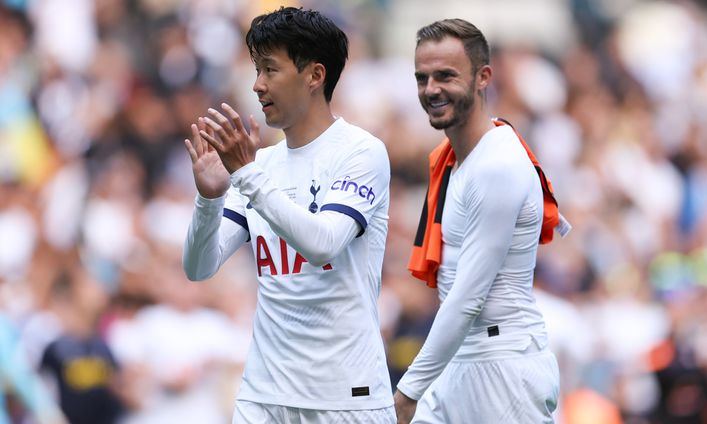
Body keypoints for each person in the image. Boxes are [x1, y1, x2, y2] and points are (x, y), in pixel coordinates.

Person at [182, 7, 395, 424]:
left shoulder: (360, 152)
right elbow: (198, 268)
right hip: (263, 396)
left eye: (270, 70)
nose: (257, 85)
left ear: (315, 76)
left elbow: (322, 245)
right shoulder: (263, 165)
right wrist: (208, 200)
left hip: (344, 397)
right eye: (256, 70)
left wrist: (245, 174)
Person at [393, 19, 570, 423]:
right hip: (460, 361)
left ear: (483, 77)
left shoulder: (498, 164)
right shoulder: (456, 161)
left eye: (446, 76)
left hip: (503, 368)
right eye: (422, 78)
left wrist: (407, 392)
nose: (431, 89)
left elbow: (469, 295)